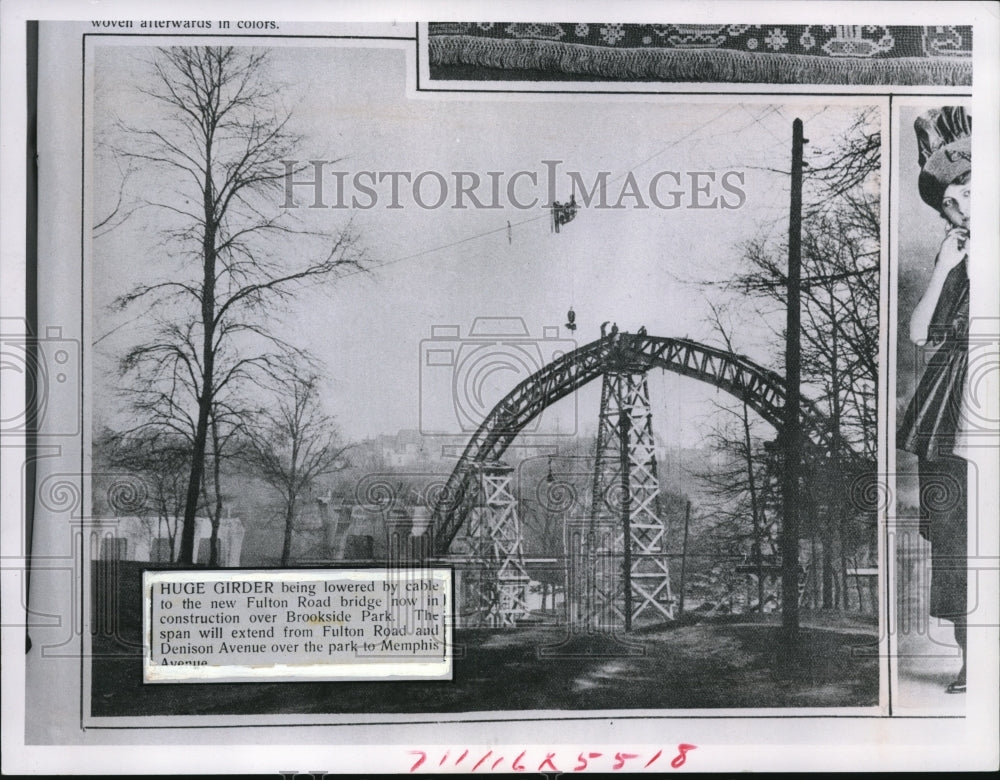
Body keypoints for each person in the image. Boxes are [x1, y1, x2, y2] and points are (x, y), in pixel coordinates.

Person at [897, 106, 971, 694]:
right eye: (952, 200)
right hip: (953, 401)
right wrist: (945, 266)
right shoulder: (957, 259)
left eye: (970, 191)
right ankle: (975, 656)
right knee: (956, 525)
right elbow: (919, 334)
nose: (962, 206)